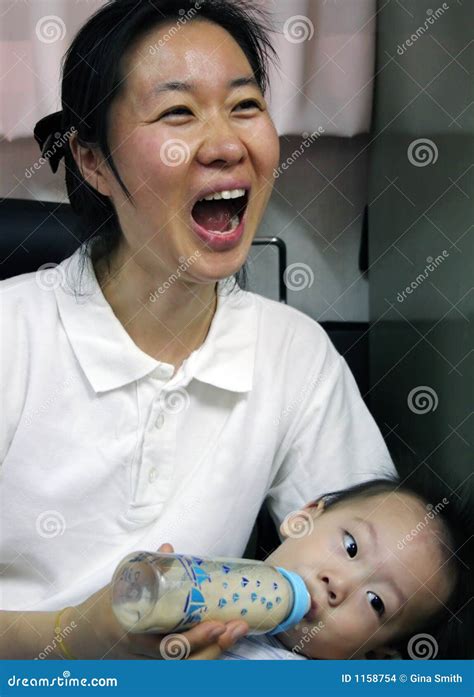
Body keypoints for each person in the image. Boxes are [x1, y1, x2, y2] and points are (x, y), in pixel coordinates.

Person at [0, 0, 395, 659]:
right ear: (93, 162)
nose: (225, 144)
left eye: (244, 106)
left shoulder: (293, 355)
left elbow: (383, 570)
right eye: (178, 113)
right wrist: (76, 639)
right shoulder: (13, 336)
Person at [218, 477, 473, 660]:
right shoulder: (210, 575)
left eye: (376, 602)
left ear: (375, 655)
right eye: (351, 547)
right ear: (302, 520)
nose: (339, 585)